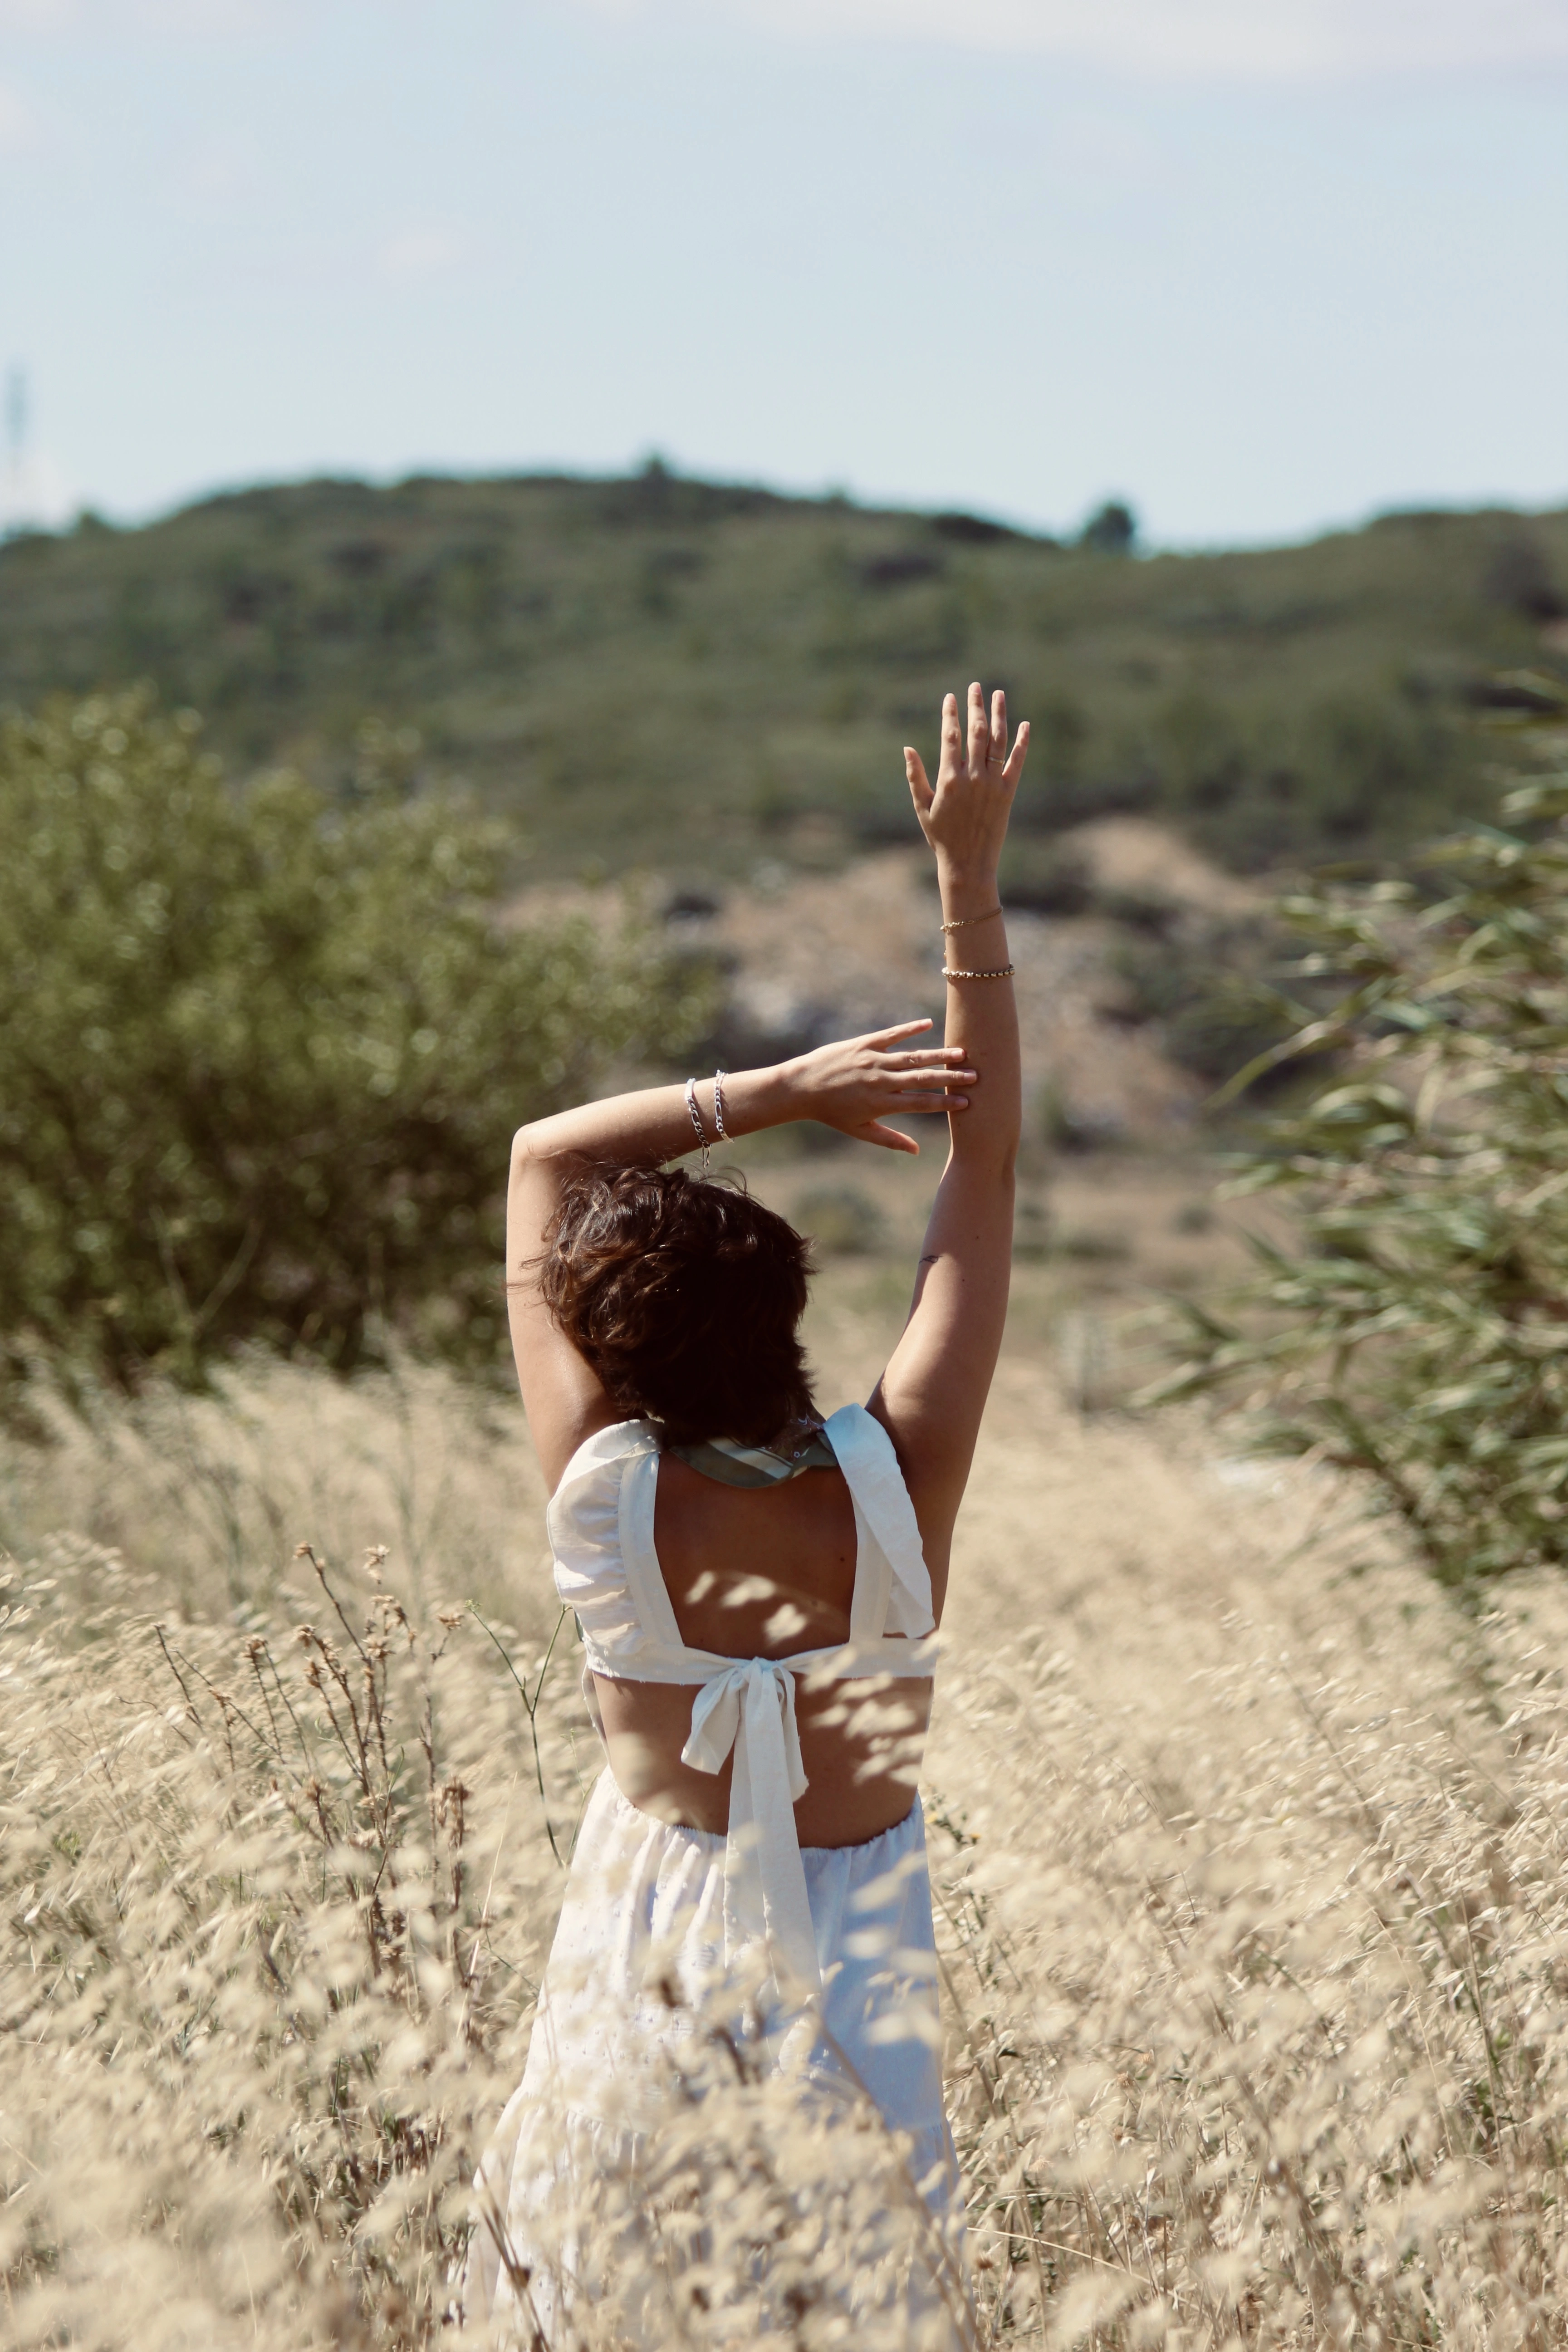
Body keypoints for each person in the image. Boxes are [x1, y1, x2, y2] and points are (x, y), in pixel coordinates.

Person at [464, 683, 1028, 2347]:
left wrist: (773, 1087)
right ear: (789, 1309)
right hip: (859, 1993)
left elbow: (537, 1161)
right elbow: (980, 1182)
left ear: (613, 1350)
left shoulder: (602, 1493)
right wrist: (967, 884)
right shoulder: (897, 1479)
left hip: (644, 1960)